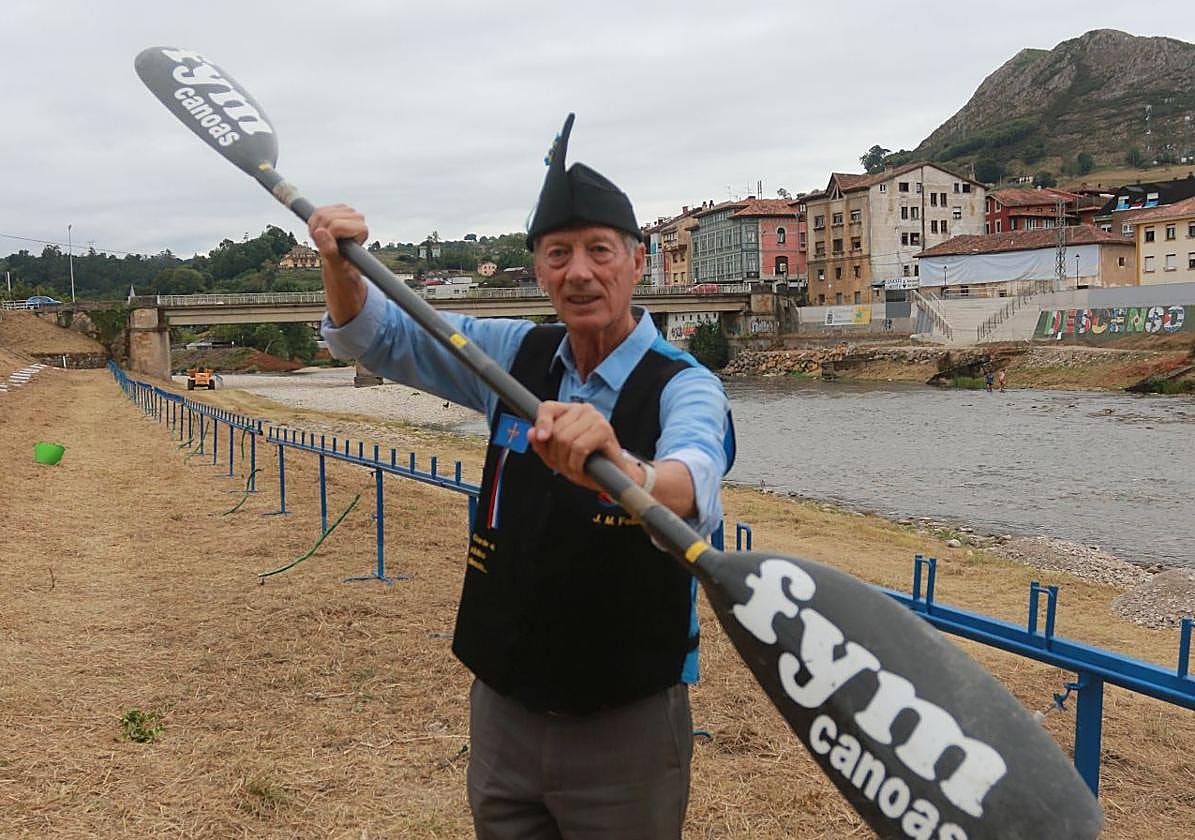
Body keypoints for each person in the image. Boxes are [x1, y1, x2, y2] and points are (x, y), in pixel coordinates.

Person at [311, 113, 735, 840]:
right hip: (503, 705)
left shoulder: (683, 385)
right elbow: (379, 337)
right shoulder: (513, 356)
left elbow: (691, 484)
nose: (579, 272)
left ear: (637, 263)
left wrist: (621, 465)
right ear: (538, 271)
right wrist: (340, 268)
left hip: (624, 721)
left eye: (599, 251)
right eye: (557, 253)